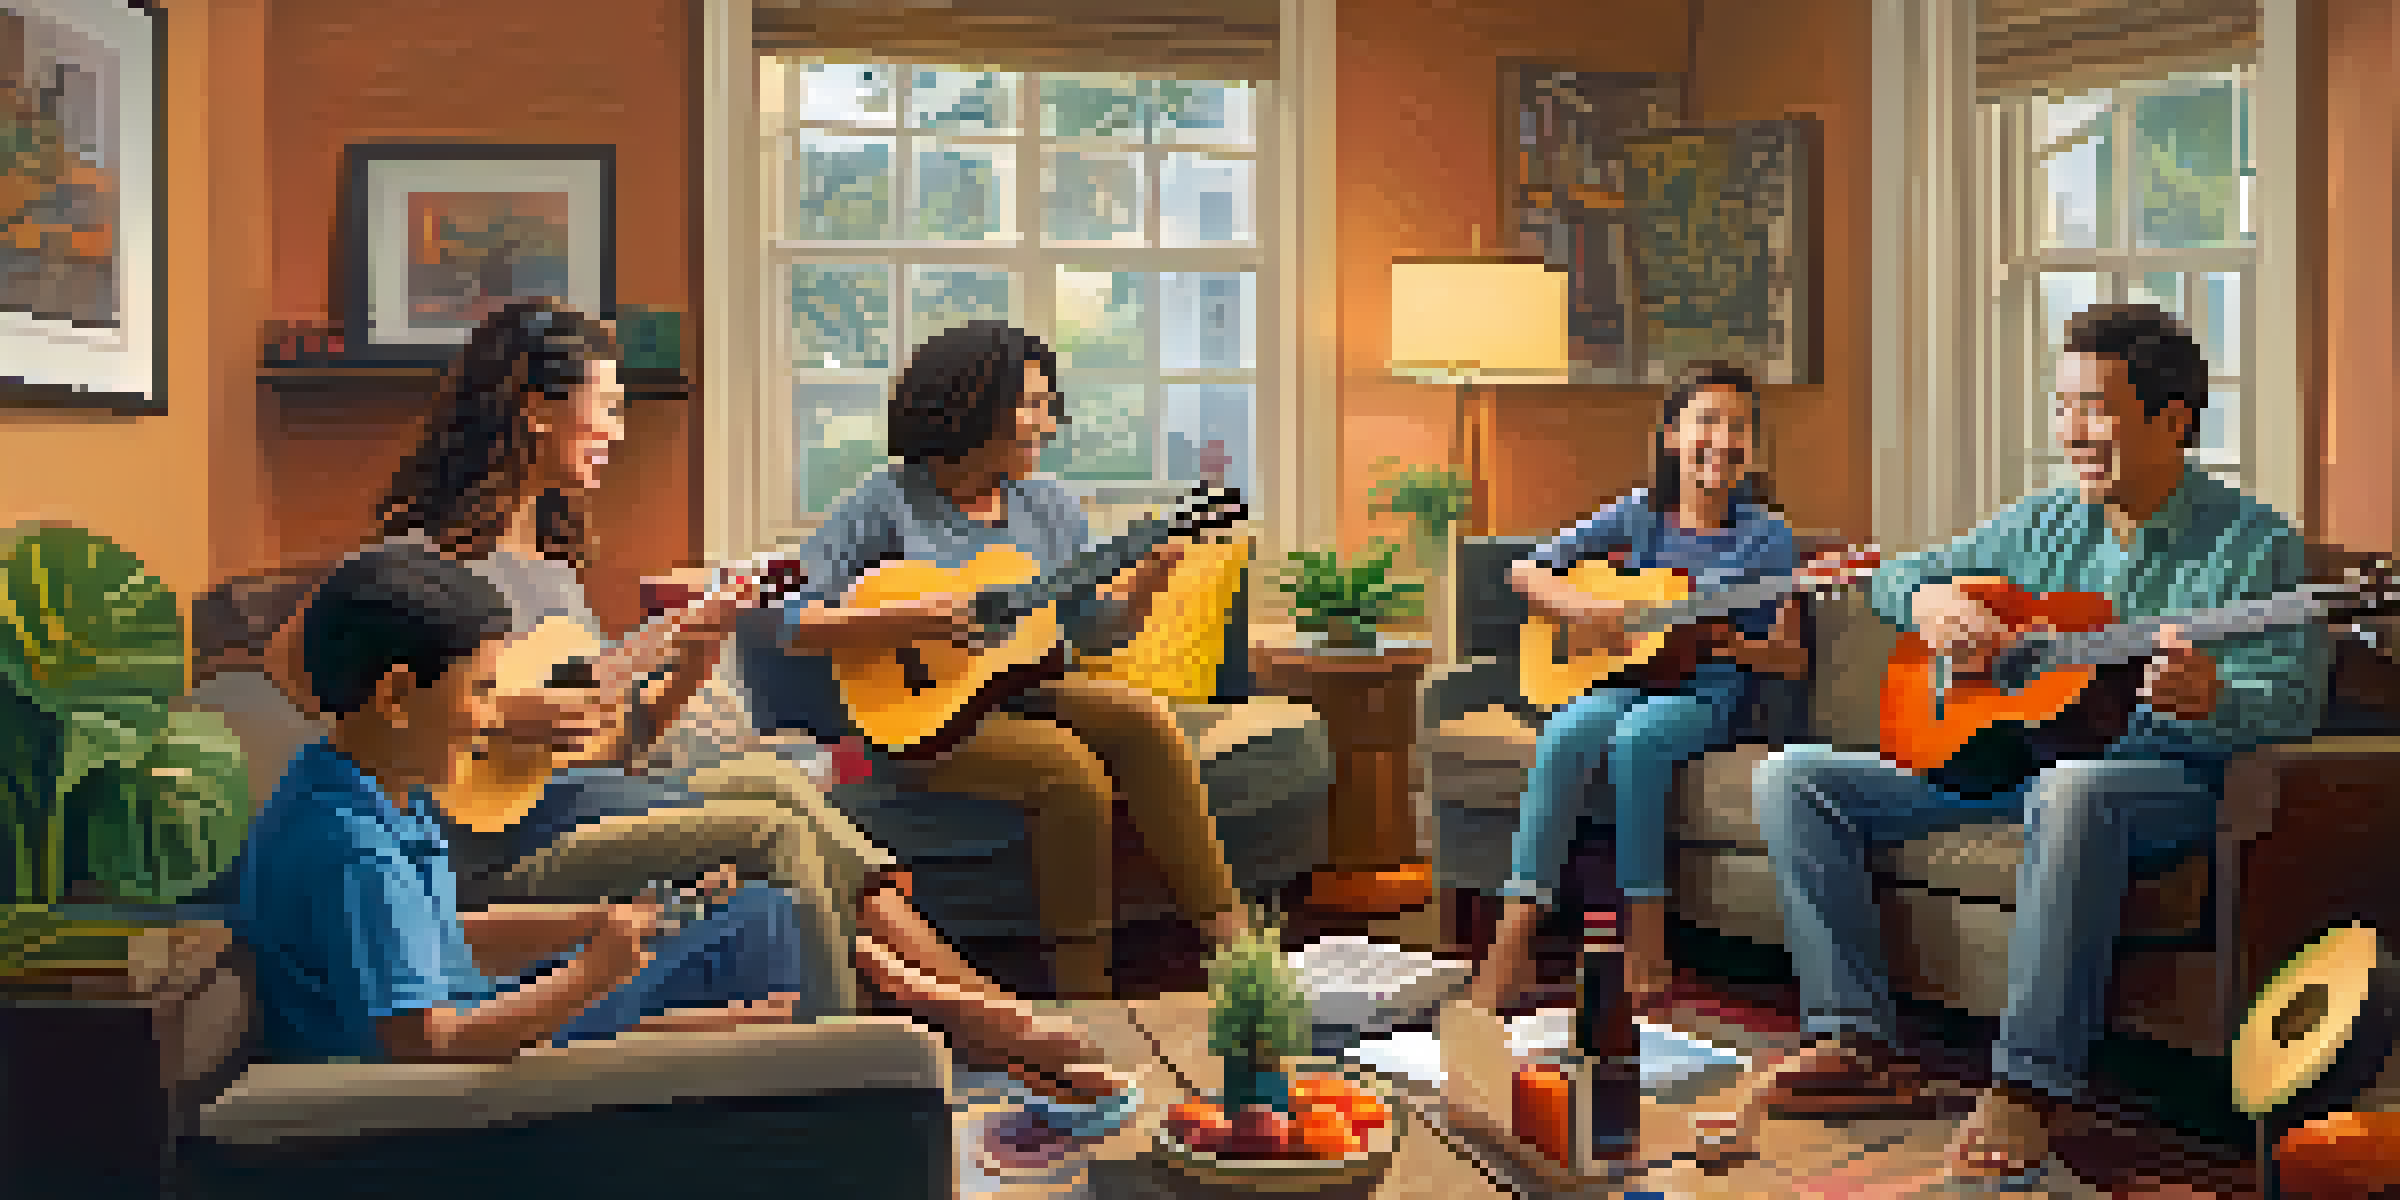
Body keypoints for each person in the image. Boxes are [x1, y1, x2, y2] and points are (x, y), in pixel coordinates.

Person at [230, 542, 1141, 1143]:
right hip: (456, 1100)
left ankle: (890, 1046)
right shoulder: (349, 842)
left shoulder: (371, 784)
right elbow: (425, 1047)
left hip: (486, 1023)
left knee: (756, 917)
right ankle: (867, 1098)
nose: (489, 716)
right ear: (394, 696)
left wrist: (592, 922)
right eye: (476, 694)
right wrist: (588, 975)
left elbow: (440, 939)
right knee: (754, 931)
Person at [1730, 304, 2328, 1178]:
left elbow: (2295, 702)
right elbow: (1896, 575)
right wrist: (1926, 604)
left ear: (2172, 418)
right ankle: (1851, 1038)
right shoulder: (2046, 523)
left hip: (2163, 781)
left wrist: (2214, 697)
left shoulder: (2254, 546)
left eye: (2094, 409)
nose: (2071, 433)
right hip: (2016, 764)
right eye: (2062, 408)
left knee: (2076, 788)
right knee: (1796, 777)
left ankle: (2028, 1086)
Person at [774, 320, 1248, 999]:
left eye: (1047, 404)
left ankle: (1233, 942)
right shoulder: (881, 503)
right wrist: (919, 615)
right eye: (1027, 404)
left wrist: (1147, 580)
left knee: (1142, 716)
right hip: (918, 718)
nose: (1043, 422)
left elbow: (1095, 634)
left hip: (1021, 688)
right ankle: (1085, 991)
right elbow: (796, 623)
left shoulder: (1049, 507)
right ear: (967, 402)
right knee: (1067, 772)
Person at [1464, 361, 1812, 1015]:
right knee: (1567, 731)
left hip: (1708, 688)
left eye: (1739, 426)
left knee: (1639, 740)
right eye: (1707, 419)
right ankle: (1515, 933)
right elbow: (1527, 571)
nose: (1723, 438)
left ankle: (1645, 937)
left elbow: (1788, 658)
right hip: (1627, 675)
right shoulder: (1639, 515)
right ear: (1674, 435)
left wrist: (1740, 645)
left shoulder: (1768, 538)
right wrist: (1589, 613)